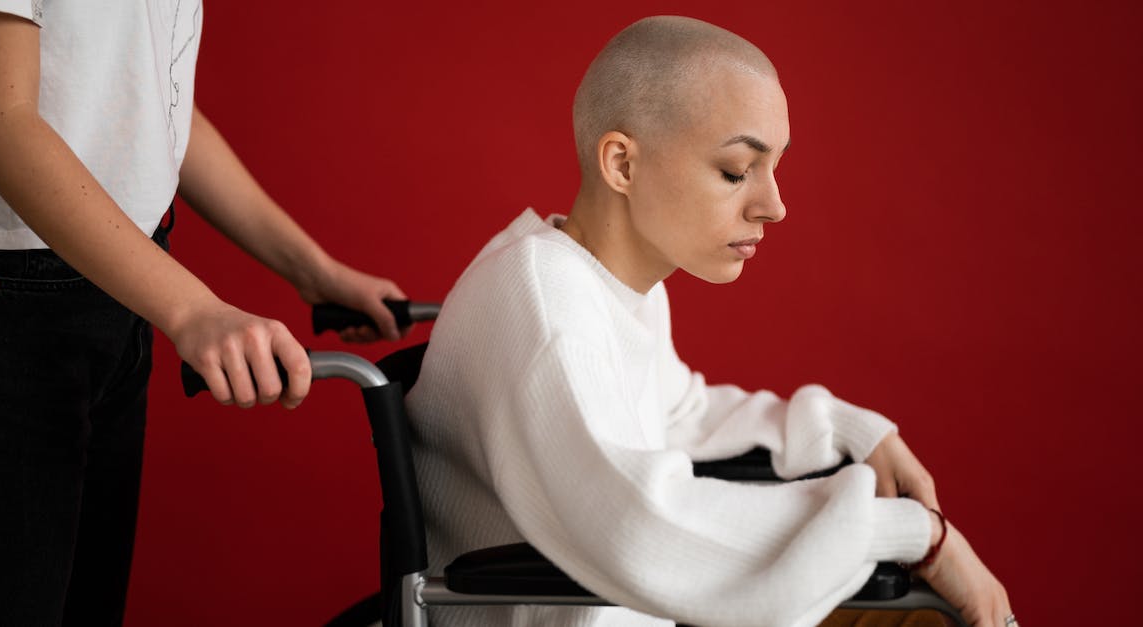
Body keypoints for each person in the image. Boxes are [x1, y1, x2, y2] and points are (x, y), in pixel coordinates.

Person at [406, 15, 1014, 627]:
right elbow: (638, 523)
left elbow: (681, 414)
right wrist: (911, 535)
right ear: (621, 164)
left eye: (775, 167)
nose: (774, 206)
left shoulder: (607, 284)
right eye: (735, 171)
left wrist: (846, 431)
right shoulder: (544, 304)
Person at [0, 3, 406, 625]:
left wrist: (312, 271)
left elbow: (148, 106)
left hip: (123, 285)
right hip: (5, 302)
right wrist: (191, 308)